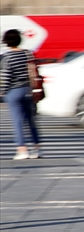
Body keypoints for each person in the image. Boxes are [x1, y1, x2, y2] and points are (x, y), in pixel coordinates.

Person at [2, 29, 41, 160]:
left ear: (6, 41)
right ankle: (36, 148)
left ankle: (22, 149)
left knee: (18, 121)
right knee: (31, 121)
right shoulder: (28, 54)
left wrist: (2, 91)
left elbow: (6, 77)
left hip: (14, 92)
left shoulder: (7, 57)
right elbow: (34, 71)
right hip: (28, 90)